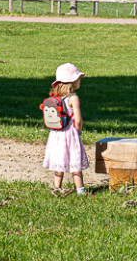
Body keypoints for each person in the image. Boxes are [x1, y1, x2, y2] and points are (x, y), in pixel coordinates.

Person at [43, 63, 90, 195]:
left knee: (59, 161)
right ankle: (80, 190)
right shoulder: (73, 98)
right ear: (71, 81)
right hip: (70, 134)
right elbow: (78, 119)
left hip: (56, 135)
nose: (80, 80)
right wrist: (79, 131)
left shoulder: (55, 97)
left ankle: (57, 188)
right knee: (75, 162)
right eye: (78, 78)